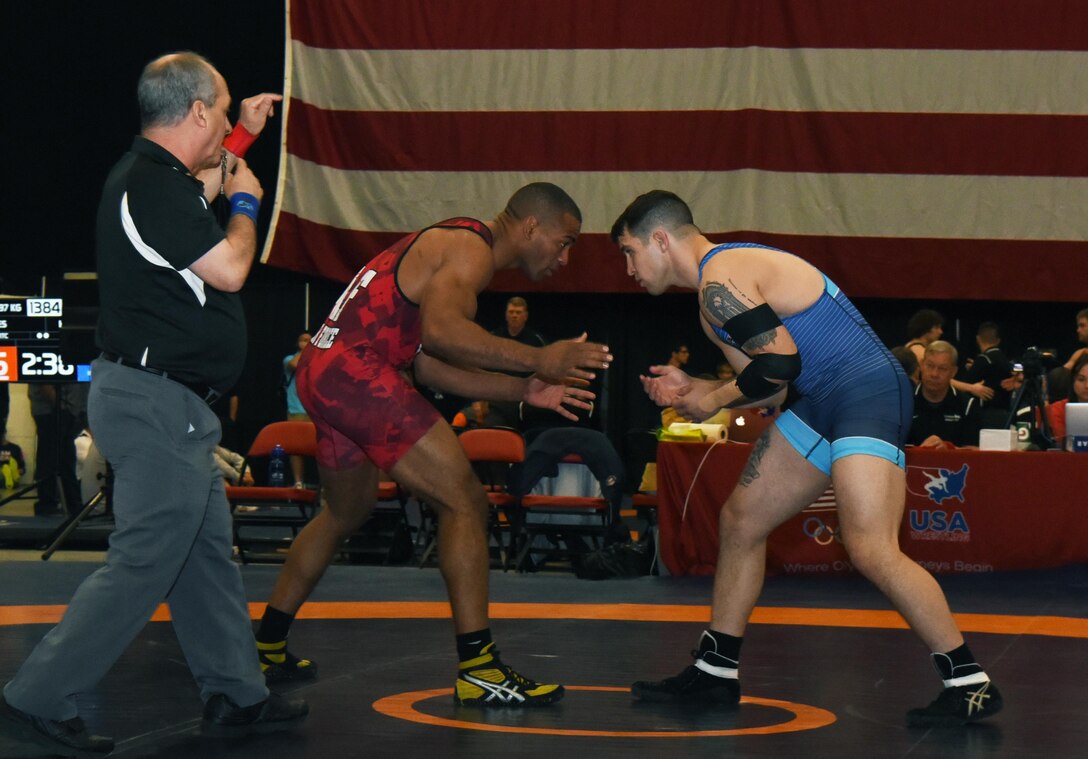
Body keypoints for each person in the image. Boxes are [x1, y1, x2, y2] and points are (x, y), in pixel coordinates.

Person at [1, 52, 306, 756]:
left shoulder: (155, 177)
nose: (229, 123)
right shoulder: (153, 187)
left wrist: (245, 139)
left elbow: (207, 170)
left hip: (171, 405)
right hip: (155, 404)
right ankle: (36, 695)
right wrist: (249, 203)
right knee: (144, 561)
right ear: (197, 111)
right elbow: (230, 268)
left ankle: (236, 690)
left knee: (203, 560)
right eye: (225, 110)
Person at [610, 190, 1002, 727]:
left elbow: (781, 363)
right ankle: (715, 670)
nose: (628, 268)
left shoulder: (722, 277)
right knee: (742, 520)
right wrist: (696, 388)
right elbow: (771, 389)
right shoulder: (711, 305)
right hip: (819, 400)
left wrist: (711, 398)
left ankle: (969, 682)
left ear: (660, 239)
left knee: (870, 547)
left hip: (867, 393)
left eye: (630, 252)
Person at [253, 182, 610, 707]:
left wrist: (523, 390)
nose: (565, 256)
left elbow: (427, 362)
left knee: (343, 512)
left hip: (325, 372)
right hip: (355, 372)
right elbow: (443, 334)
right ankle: (480, 667)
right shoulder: (471, 249)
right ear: (532, 227)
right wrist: (538, 358)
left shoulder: (451, 248)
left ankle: (266, 646)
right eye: (566, 240)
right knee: (463, 498)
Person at [907, 341, 982, 449]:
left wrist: (948, 450)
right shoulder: (903, 402)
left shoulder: (967, 406)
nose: (934, 374)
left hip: (955, 465)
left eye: (942, 369)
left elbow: (975, 452)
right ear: (922, 365)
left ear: (953, 372)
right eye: (930, 366)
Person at [27, 384, 84, 516]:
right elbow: (44, 384)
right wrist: (62, 407)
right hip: (53, 410)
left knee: (64, 458)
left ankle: (69, 502)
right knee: (52, 458)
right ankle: (54, 503)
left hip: (62, 408)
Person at [956, 322, 1012, 429]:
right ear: (998, 340)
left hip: (987, 414)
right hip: (1005, 413)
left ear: (978, 339)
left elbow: (965, 385)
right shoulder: (1005, 360)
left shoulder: (983, 360)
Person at [283, 329, 312, 486]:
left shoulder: (316, 359)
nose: (306, 343)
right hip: (296, 410)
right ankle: (298, 481)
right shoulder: (289, 359)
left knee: (320, 449)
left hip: (314, 411)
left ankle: (325, 486)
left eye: (309, 340)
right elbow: (294, 365)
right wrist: (305, 351)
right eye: (303, 340)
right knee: (296, 448)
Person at [1047, 354, 1088, 440]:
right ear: (1073, 380)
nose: (1087, 386)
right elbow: (1061, 442)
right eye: (1081, 379)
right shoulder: (1058, 408)